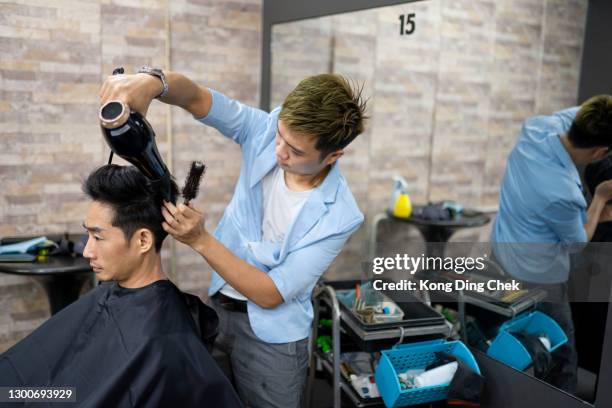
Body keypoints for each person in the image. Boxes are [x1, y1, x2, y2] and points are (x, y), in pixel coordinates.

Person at [100, 68, 367, 407]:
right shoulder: (265, 130)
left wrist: (200, 239)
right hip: (219, 311)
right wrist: (154, 83)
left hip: (274, 339)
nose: (280, 151)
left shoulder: (340, 215)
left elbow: (271, 294)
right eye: (281, 136)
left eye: (296, 151)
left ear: (332, 156)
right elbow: (197, 98)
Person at [0, 165, 242, 408]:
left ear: (143, 240)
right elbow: (65, 391)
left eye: (98, 237)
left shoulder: (165, 341)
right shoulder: (111, 296)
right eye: (88, 236)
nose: (86, 251)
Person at [491, 95, 612, 393]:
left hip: (502, 250)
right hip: (538, 275)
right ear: (600, 152)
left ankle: (508, 387)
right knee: (563, 355)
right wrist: (599, 199)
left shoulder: (538, 128)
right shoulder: (563, 194)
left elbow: (584, 115)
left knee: (507, 334)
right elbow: (577, 242)